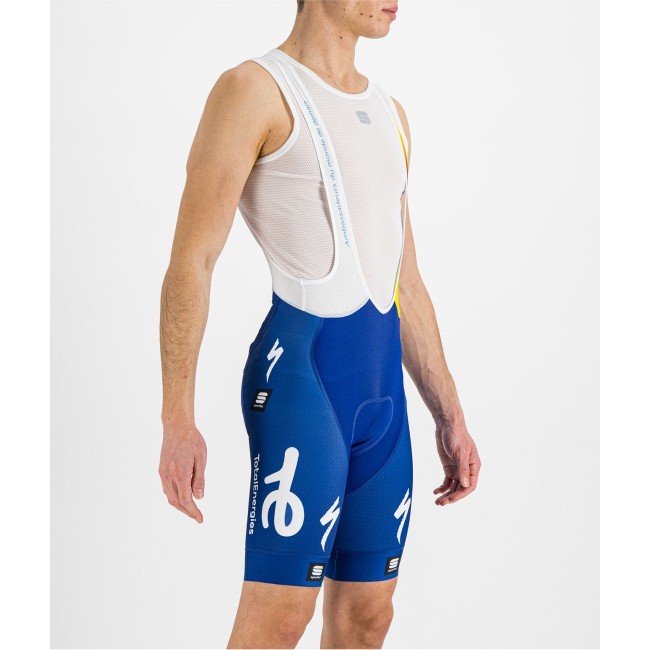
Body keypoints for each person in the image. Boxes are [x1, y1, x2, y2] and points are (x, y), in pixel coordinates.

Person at [158, 1, 481, 647]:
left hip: (382, 399)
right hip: (303, 383)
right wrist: (177, 418)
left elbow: (405, 280)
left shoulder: (390, 113)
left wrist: (449, 413)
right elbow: (193, 261)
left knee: (369, 617)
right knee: (280, 617)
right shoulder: (252, 90)